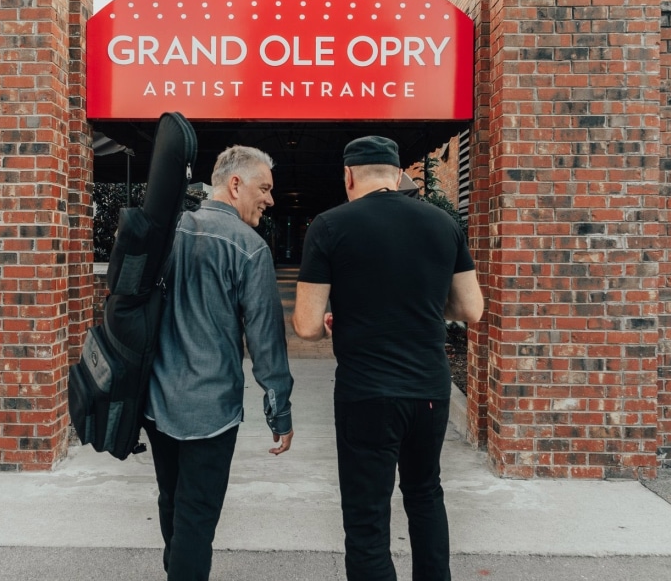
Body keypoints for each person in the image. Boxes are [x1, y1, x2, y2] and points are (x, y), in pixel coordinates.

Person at [292, 135, 484, 581]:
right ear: (398, 175)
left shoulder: (329, 225)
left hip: (367, 394)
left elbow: (305, 324)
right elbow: (469, 309)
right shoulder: (443, 223)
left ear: (348, 176)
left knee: (367, 515)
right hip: (429, 390)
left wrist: (338, 319)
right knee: (425, 495)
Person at [144, 145, 294, 581]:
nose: (269, 199)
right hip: (211, 408)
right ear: (235, 184)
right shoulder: (249, 248)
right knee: (197, 515)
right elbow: (266, 342)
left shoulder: (167, 231)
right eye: (264, 188)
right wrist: (279, 412)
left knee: (171, 500)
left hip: (156, 401)